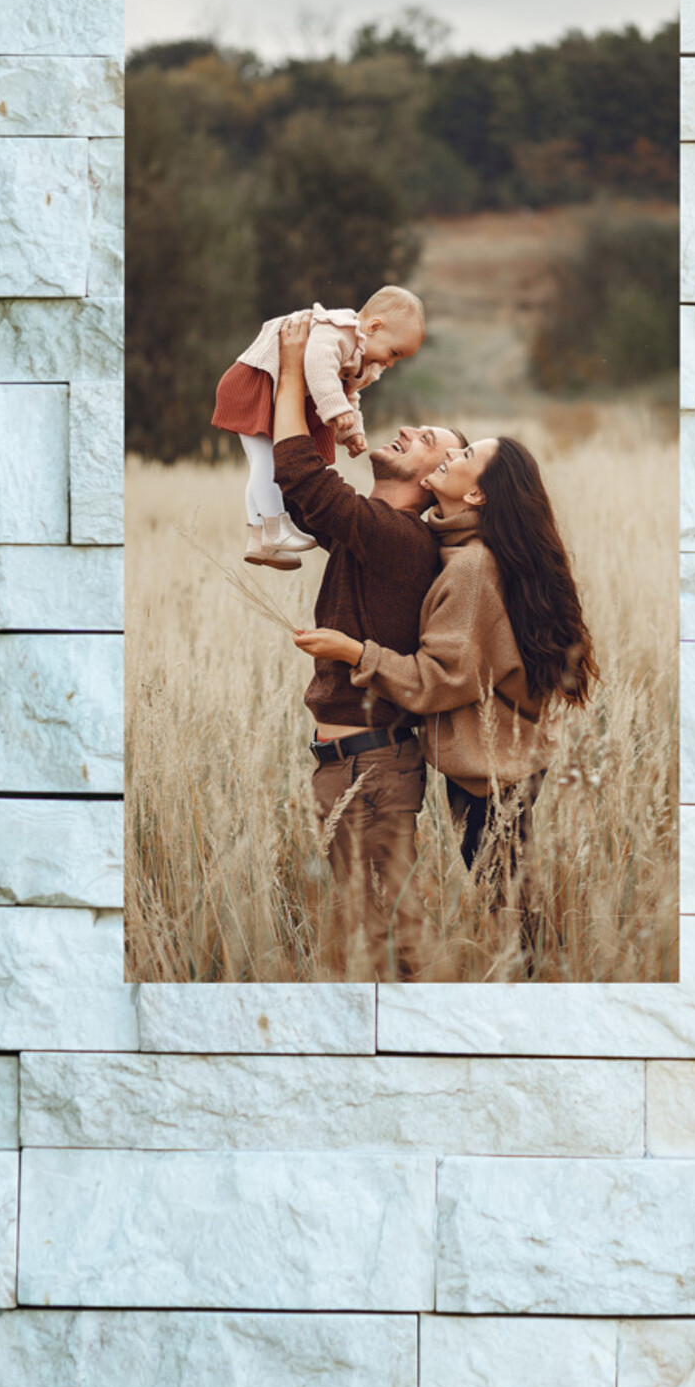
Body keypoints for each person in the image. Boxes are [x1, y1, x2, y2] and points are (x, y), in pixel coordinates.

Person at [294, 434, 596, 951]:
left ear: (477, 496)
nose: (449, 458)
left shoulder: (472, 567)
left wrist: (354, 652)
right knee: (510, 899)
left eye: (463, 456)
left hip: (494, 775)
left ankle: (540, 988)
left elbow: (442, 679)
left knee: (511, 908)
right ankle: (537, 975)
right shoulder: (455, 549)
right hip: (495, 766)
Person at [270, 309, 465, 978]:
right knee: (362, 935)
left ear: (436, 477)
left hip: (374, 768)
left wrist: (295, 369)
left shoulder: (402, 540)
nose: (406, 428)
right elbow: (306, 502)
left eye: (426, 439)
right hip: (345, 762)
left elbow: (304, 479)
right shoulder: (376, 529)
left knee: (394, 942)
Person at [211, 288, 426, 568]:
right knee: (267, 461)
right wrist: (335, 409)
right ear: (374, 327)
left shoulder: (365, 359)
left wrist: (351, 431)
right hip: (258, 382)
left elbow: (349, 394)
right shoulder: (336, 331)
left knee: (261, 462)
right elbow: (318, 366)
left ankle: (259, 538)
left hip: (278, 391)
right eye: (393, 352)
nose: (390, 363)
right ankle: (276, 527)